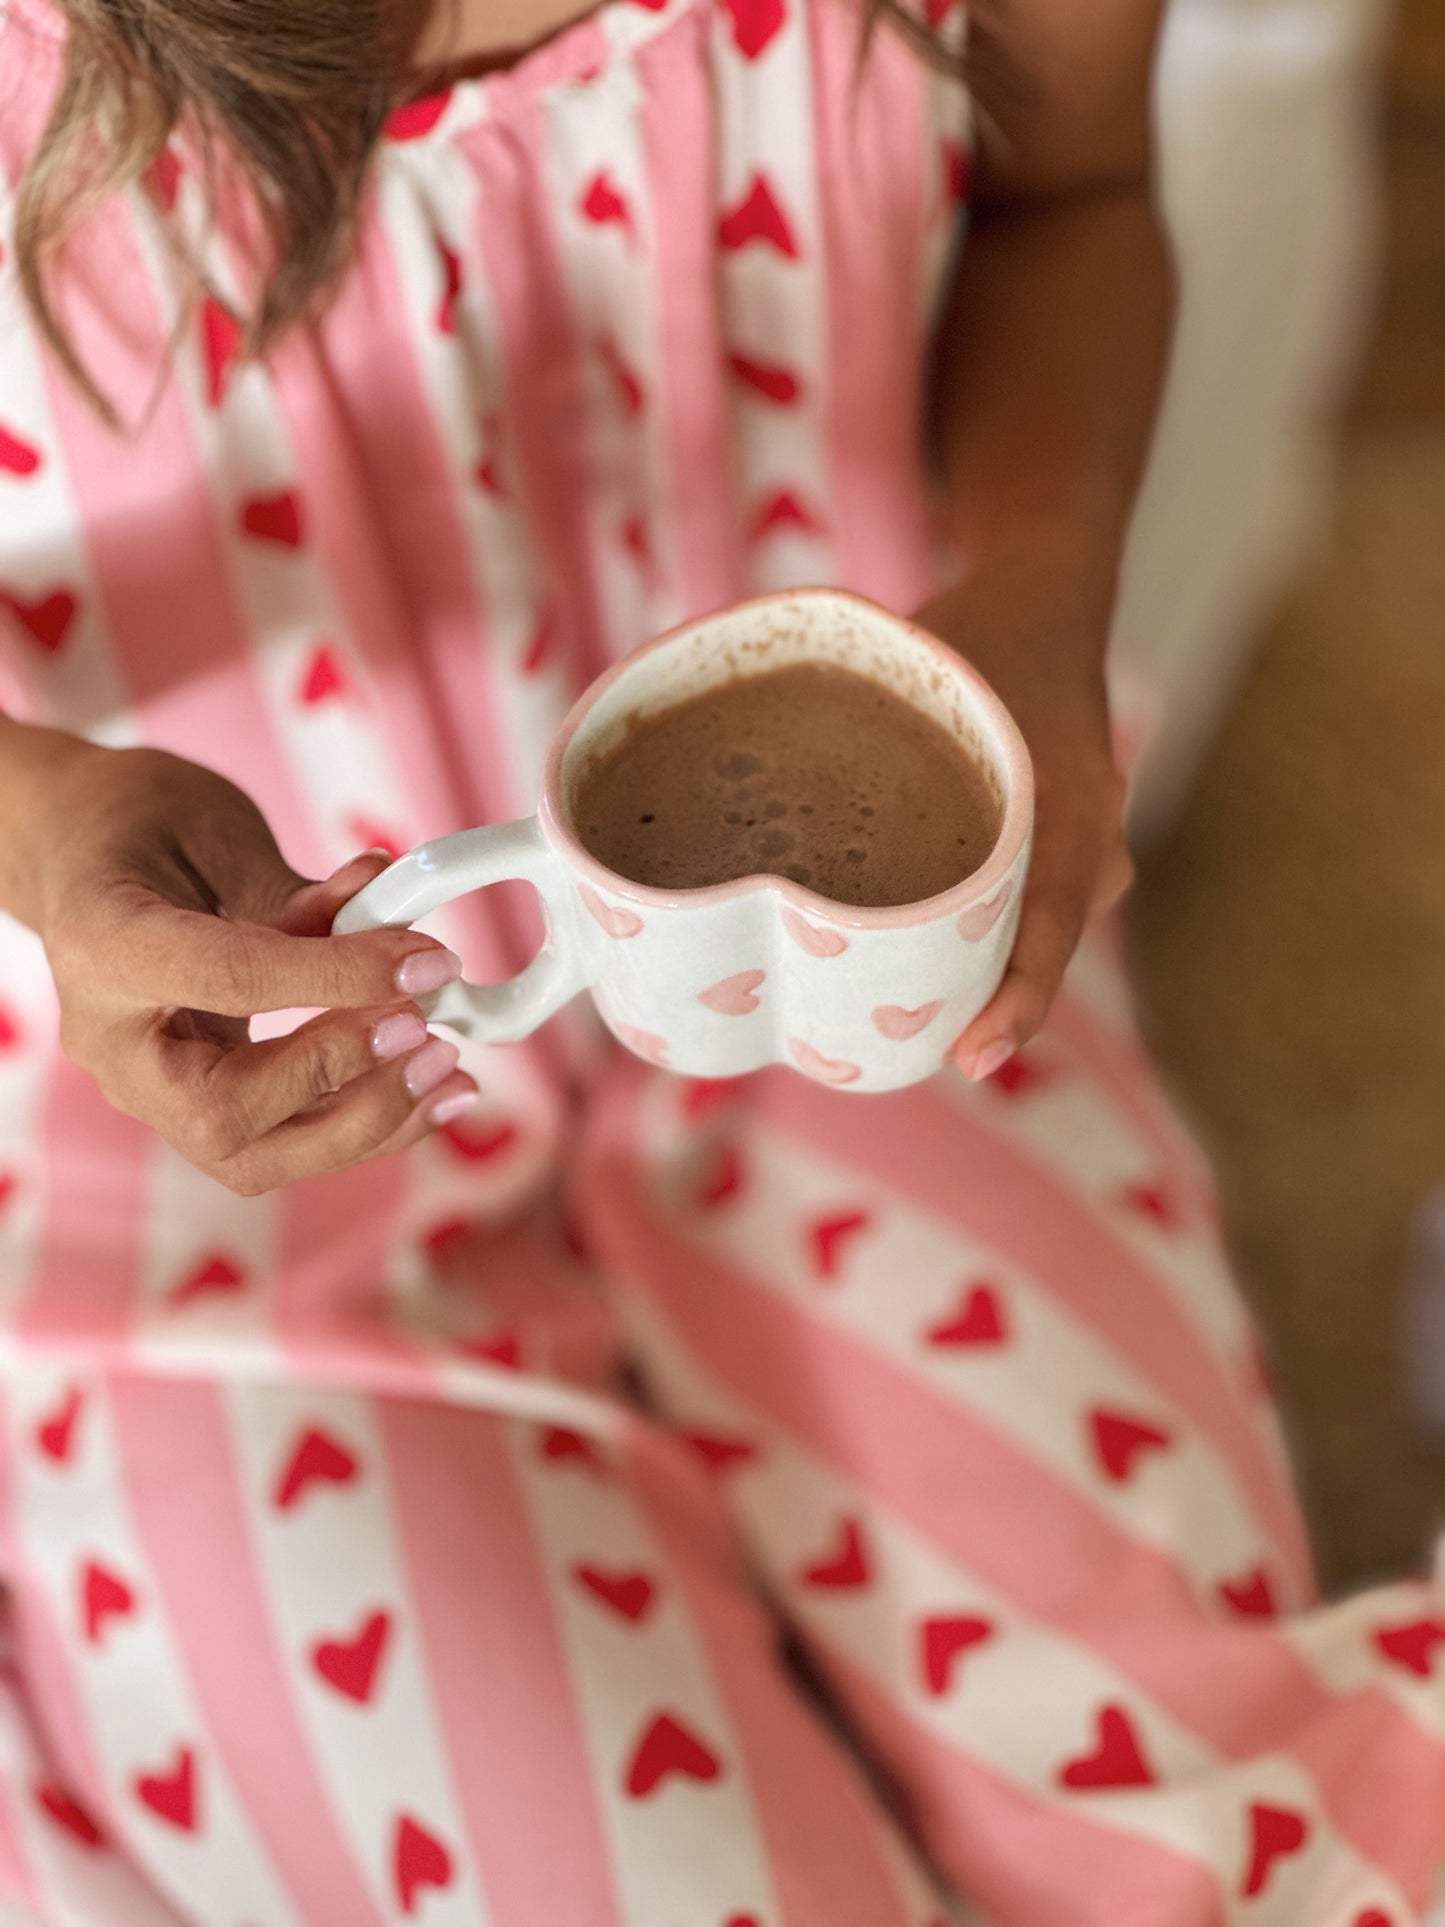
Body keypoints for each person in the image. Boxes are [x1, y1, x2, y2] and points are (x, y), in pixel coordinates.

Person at [0, 0, 1439, 1919]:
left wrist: (1034, 598)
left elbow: (1071, 195)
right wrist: (37, 830)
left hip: (876, 991)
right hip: (197, 1114)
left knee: (1238, 1830)